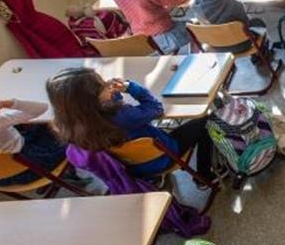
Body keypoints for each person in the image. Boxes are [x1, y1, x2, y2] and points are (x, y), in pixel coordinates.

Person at [45, 67, 213, 180]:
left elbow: (108, 109)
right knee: (205, 121)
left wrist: (113, 95)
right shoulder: (122, 116)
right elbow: (156, 108)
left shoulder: (65, 124)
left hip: (130, 167)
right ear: (92, 99)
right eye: (102, 86)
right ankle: (204, 175)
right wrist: (130, 87)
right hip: (163, 156)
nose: (107, 86)